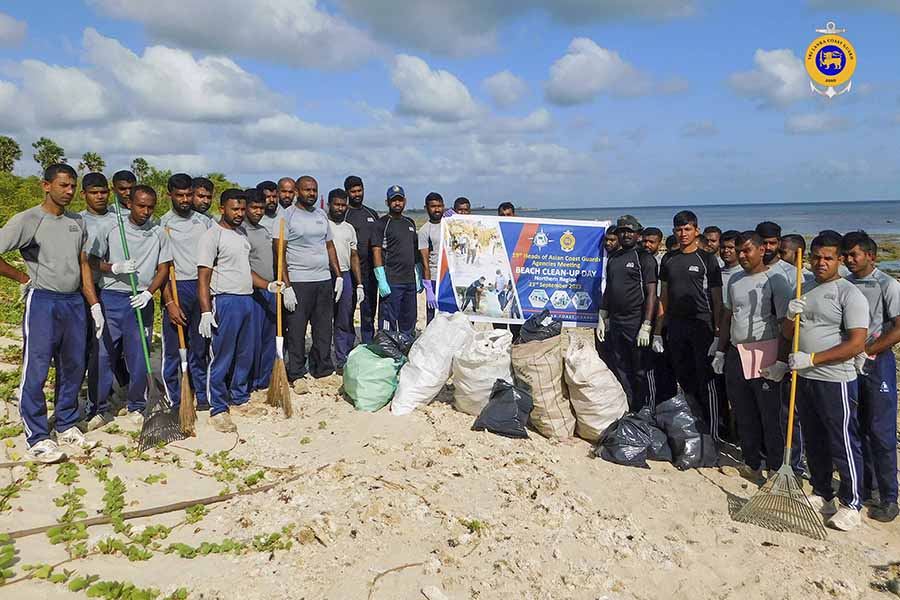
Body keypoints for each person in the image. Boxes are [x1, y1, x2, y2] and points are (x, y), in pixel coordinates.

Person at [0, 164, 99, 462]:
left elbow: (83, 262)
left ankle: (67, 421)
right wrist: (21, 279)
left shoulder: (77, 221)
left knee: (72, 365)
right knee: (37, 366)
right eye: (63, 186)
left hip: (73, 302)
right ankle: (38, 435)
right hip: (43, 301)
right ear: (46, 185)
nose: (69, 192)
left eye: (72, 186)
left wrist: (92, 302)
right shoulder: (28, 219)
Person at [785, 231, 869, 531]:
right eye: (816, 257)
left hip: (836, 379)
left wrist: (813, 359)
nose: (821, 262)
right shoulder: (803, 288)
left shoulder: (849, 293)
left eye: (828, 258)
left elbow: (857, 343)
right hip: (805, 378)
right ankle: (823, 492)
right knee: (814, 440)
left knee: (843, 440)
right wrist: (789, 314)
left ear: (840, 260)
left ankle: (852, 502)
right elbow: (788, 334)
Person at [198, 189, 284, 433]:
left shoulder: (242, 234)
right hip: (225, 301)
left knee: (245, 353)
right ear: (222, 208)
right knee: (223, 355)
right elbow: (203, 277)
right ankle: (217, 408)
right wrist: (206, 310)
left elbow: (246, 271)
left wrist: (268, 284)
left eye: (241, 209)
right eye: (234, 209)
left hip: (246, 299)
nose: (239, 213)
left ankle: (239, 397)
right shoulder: (212, 236)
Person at [90, 185, 172, 429]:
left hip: (141, 299)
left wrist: (149, 293)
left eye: (150, 207)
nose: (146, 211)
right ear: (130, 204)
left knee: (139, 356)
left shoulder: (159, 233)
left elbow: (164, 268)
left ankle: (137, 405)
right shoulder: (111, 227)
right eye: (141, 206)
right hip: (112, 297)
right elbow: (92, 260)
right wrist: (113, 268)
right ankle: (99, 408)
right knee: (104, 355)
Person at [714, 231, 791, 480]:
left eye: (747, 250)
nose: (742, 255)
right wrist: (720, 350)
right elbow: (729, 316)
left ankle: (777, 468)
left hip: (766, 352)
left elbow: (784, 325)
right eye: (739, 251)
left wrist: (781, 361)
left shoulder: (775, 280)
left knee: (770, 415)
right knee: (743, 410)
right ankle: (751, 462)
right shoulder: (735, 280)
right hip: (738, 352)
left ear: (761, 250)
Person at [842, 231, 900, 522]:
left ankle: (890, 497)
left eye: (855, 255)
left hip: (878, 364)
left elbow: (899, 328)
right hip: (847, 363)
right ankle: (866, 486)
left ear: (871, 256)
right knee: (856, 426)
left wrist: (870, 350)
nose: (849, 260)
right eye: (847, 255)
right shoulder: (845, 284)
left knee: (882, 431)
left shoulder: (887, 284)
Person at [656, 210, 723, 440]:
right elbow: (663, 296)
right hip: (675, 327)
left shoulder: (707, 259)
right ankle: (692, 429)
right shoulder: (668, 259)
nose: (683, 233)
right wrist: (656, 331)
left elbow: (717, 300)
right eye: (678, 229)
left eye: (687, 229)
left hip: (702, 327)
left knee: (707, 380)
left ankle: (714, 435)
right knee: (683, 379)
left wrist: (717, 333)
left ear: (696, 230)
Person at [281, 176, 342, 391]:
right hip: (299, 281)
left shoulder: (321, 215)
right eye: (307, 190)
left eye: (314, 190)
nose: (311, 194)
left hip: (323, 280)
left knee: (323, 328)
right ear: (297, 190)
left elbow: (330, 246)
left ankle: (323, 369)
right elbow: (278, 253)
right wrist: (287, 286)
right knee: (297, 330)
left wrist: (338, 275)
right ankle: (296, 373)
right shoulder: (287, 216)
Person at [159, 173, 213, 412]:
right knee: (173, 350)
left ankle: (202, 394)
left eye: (188, 195)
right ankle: (176, 399)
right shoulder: (162, 224)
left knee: (200, 347)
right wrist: (169, 302)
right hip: (176, 286)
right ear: (170, 194)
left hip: (201, 286)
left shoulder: (204, 222)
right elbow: (160, 269)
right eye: (179, 195)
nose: (184, 199)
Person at [596, 215, 658, 412]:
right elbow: (610, 289)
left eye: (630, 231)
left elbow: (651, 294)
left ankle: (645, 410)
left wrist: (647, 324)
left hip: (636, 322)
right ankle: (630, 408)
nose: (625, 234)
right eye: (622, 231)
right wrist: (603, 315)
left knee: (641, 370)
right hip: (616, 322)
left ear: (638, 234)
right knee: (620, 367)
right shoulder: (614, 258)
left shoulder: (644, 258)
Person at [79, 173, 125, 429]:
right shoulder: (78, 220)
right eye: (94, 192)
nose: (99, 197)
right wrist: (112, 266)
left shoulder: (119, 218)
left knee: (106, 347)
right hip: (81, 290)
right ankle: (90, 397)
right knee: (85, 346)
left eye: (103, 192)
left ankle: (111, 394)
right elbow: (86, 260)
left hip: (107, 289)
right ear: (84, 194)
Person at [373, 185, 419, 336]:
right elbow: (376, 251)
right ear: (387, 203)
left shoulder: (410, 223)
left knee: (409, 318)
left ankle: (406, 346)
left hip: (409, 281)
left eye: (400, 200)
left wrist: (417, 275)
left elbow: (414, 251)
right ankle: (388, 350)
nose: (397, 203)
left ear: (405, 201)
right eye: (394, 201)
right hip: (392, 281)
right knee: (389, 321)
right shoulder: (382, 224)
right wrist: (381, 278)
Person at [243, 190, 278, 391]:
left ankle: (264, 381)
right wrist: (264, 284)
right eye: (254, 208)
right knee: (251, 341)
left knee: (268, 338)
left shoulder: (264, 230)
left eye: (261, 208)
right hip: (252, 292)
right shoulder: (241, 232)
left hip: (270, 290)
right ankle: (249, 381)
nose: (258, 212)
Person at [327, 188, 363, 371]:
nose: (340, 208)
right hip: (325, 276)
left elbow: (354, 256)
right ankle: (322, 360)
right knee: (324, 320)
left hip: (347, 275)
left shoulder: (349, 228)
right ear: (329, 204)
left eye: (343, 205)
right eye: (336, 204)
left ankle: (343, 360)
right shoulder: (323, 224)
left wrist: (360, 284)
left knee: (345, 318)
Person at [344, 175, 380, 343]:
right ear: (347, 192)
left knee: (369, 309)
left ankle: (367, 342)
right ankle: (347, 344)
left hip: (370, 271)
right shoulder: (343, 214)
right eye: (353, 191)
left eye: (360, 190)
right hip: (349, 270)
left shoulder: (371, 213)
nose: (357, 194)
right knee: (347, 309)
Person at [418, 192, 443, 323]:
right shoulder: (424, 230)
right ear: (426, 208)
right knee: (432, 315)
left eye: (439, 206)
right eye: (433, 206)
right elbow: (425, 261)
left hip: (450, 278)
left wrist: (457, 217)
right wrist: (428, 288)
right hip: (434, 277)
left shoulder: (449, 223)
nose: (437, 209)